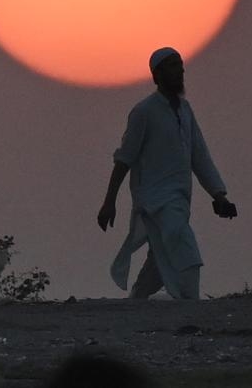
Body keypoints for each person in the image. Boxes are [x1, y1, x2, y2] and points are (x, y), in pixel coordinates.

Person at [97, 47, 237, 300]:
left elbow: (199, 156)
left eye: (180, 65)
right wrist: (109, 202)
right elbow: (124, 159)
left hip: (180, 198)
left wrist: (219, 195)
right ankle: (191, 303)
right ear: (157, 75)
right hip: (153, 200)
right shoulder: (144, 112)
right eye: (172, 66)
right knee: (182, 242)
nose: (180, 71)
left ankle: (137, 300)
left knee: (160, 256)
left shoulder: (185, 111)